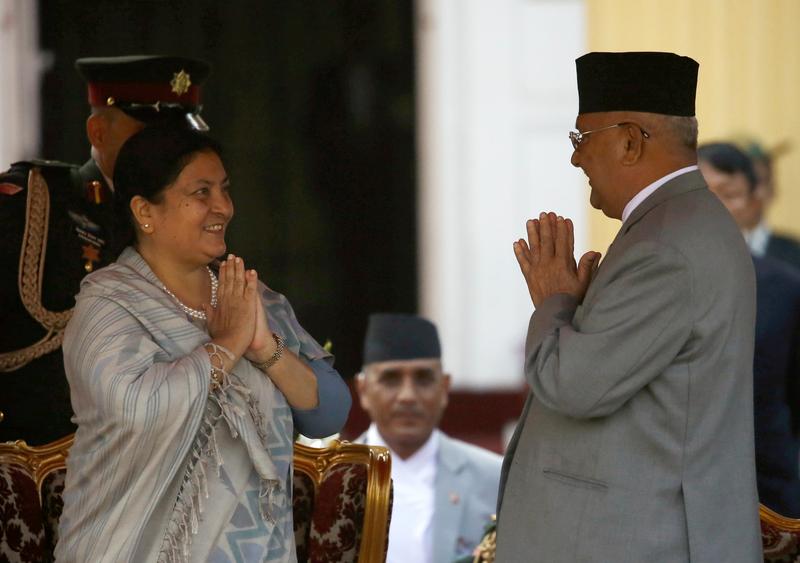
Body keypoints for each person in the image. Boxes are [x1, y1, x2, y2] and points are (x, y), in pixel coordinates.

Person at [497, 52, 761, 562]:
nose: (575, 159)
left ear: (630, 141)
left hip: (638, 540)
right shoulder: (674, 226)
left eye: (581, 140)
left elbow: (572, 386)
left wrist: (552, 300)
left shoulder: (668, 245)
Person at [55, 125, 351, 562]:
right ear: (145, 211)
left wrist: (265, 349)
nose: (223, 207)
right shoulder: (108, 306)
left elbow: (330, 414)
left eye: (225, 190)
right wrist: (227, 345)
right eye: (201, 192)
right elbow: (138, 410)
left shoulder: (250, 296)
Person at [0, 55, 211, 443]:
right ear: (99, 133)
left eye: (181, 142)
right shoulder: (30, 208)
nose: (170, 155)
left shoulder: (198, 222)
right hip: (43, 466)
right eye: (152, 139)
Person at [698, 141, 800, 516]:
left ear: (754, 197)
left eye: (729, 194)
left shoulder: (786, 286)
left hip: (768, 487)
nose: (717, 208)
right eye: (703, 195)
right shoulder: (653, 279)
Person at [354, 313, 502, 563]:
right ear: (363, 390)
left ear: (444, 388)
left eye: (423, 378)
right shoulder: (332, 475)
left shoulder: (495, 478)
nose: (407, 396)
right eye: (390, 379)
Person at [737, 140, 800, 272]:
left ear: (772, 189)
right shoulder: (698, 253)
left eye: (757, 181)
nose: (749, 192)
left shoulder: (795, 254)